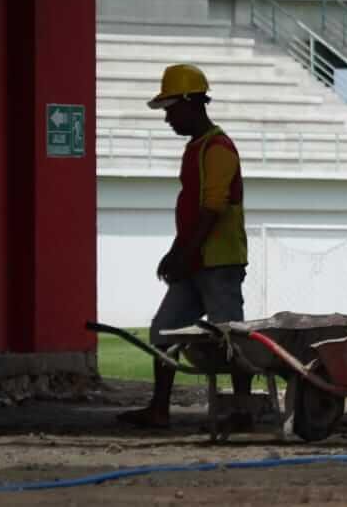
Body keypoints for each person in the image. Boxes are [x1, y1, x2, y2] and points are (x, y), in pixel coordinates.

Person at [117, 64, 251, 430]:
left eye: (171, 110)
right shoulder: (197, 148)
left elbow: (211, 209)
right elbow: (195, 213)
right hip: (196, 260)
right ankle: (159, 408)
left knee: (231, 335)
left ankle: (242, 410)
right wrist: (178, 252)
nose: (168, 120)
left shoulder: (218, 148)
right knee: (165, 329)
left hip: (219, 262)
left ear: (193, 104)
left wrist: (183, 254)